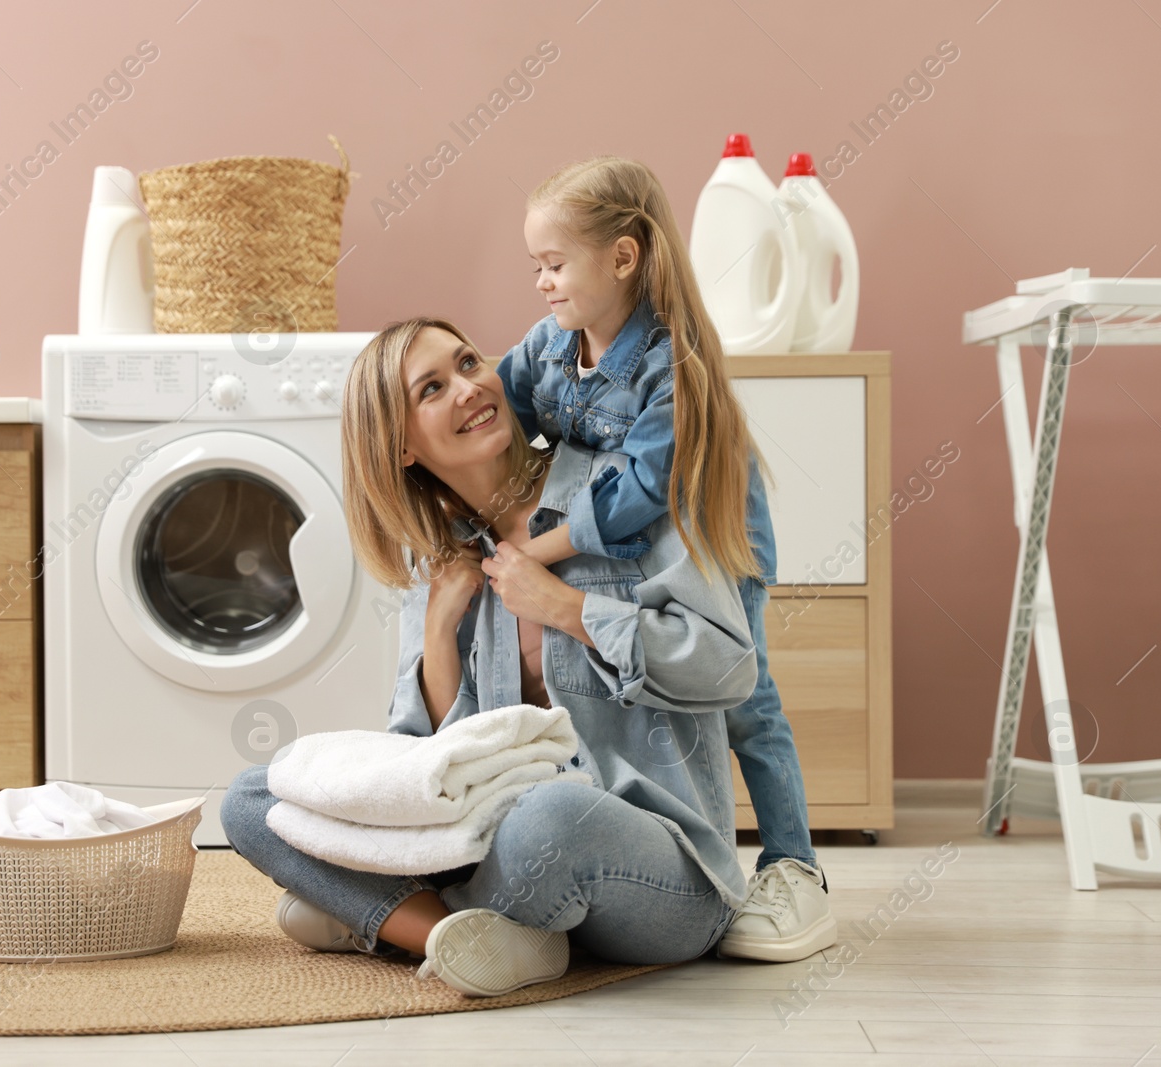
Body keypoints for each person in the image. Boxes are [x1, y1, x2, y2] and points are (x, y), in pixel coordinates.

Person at [221, 317, 761, 997]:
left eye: (469, 362)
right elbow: (423, 765)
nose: (471, 387)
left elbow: (729, 665)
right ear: (401, 447)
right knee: (257, 796)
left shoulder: (627, 491)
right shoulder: (443, 555)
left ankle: (383, 916)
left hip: (657, 868)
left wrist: (565, 606)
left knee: (550, 815)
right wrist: (442, 627)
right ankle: (455, 934)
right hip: (493, 845)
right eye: (433, 388)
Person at [495, 154, 834, 960]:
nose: (541, 283)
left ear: (623, 256)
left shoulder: (668, 364)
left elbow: (639, 492)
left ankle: (796, 867)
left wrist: (530, 549)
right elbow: (500, 409)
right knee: (634, 672)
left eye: (554, 264)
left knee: (742, 694)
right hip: (631, 544)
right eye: (534, 266)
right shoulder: (552, 346)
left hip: (714, 533)